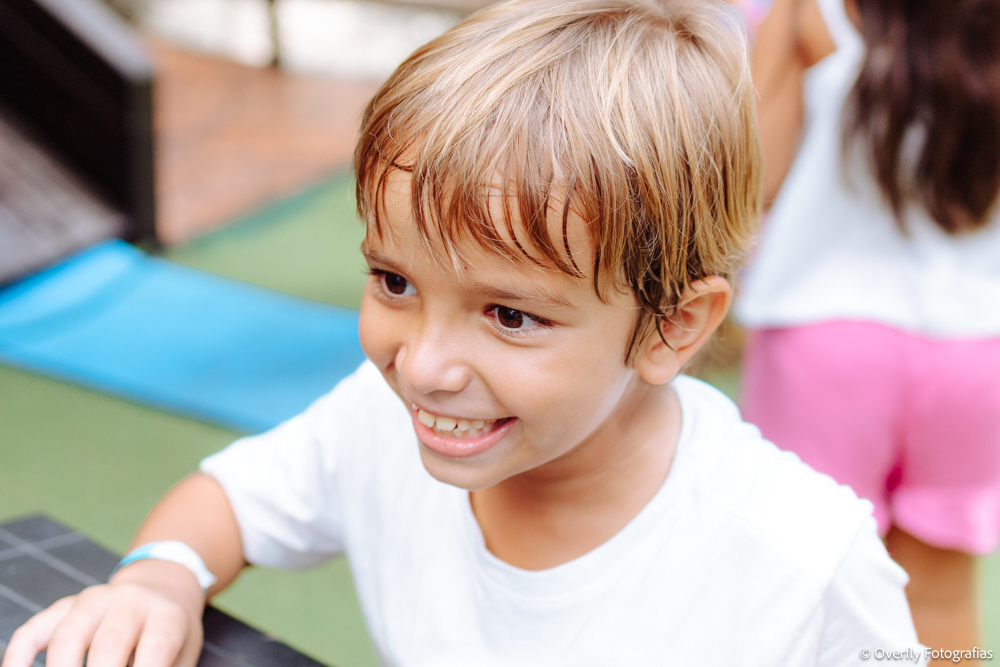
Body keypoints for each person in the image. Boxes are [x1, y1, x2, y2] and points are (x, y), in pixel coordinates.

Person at [3, 1, 920, 665]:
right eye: (394, 280)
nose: (425, 366)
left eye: (510, 314)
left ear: (670, 327)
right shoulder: (378, 420)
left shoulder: (803, 561)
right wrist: (158, 578)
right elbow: (232, 498)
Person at [739, 0, 1000, 653]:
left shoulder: (813, 13)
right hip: (979, 347)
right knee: (938, 601)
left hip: (826, 338)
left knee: (796, 589)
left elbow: (755, 176)